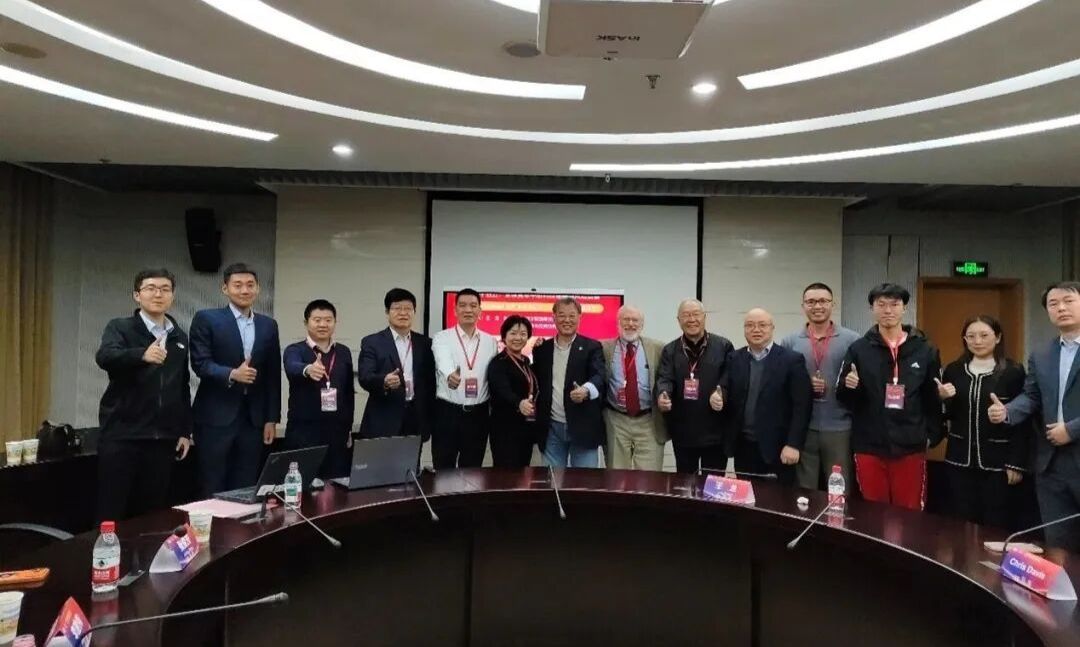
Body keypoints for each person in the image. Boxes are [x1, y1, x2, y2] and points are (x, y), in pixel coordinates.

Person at [94, 268, 192, 521]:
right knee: (112, 509)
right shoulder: (120, 327)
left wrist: (184, 430)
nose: (158, 294)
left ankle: (147, 550)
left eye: (165, 289)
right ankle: (107, 550)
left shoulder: (179, 336)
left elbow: (182, 386)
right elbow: (105, 357)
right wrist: (141, 355)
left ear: (172, 296)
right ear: (137, 295)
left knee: (152, 513)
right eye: (151, 288)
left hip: (162, 439)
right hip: (123, 435)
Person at [990, 281, 1080, 551]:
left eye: (1068, 301)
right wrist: (1007, 412)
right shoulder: (1042, 354)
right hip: (1051, 465)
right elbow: (1031, 396)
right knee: (1058, 543)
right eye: (1053, 304)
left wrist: (1072, 430)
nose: (1061, 308)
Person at [837, 283, 943, 511]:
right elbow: (843, 398)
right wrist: (850, 387)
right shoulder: (859, 349)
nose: (888, 310)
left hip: (911, 444)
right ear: (872, 309)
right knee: (873, 510)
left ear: (904, 308)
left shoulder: (925, 350)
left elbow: (932, 396)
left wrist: (932, 435)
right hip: (869, 443)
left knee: (909, 510)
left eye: (894, 304)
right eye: (881, 305)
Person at [189, 263, 281, 496]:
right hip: (215, 418)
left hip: (253, 420)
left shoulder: (268, 325)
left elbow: (272, 375)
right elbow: (200, 363)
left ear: (258, 289)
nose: (244, 290)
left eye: (250, 285)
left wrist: (271, 418)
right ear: (225, 289)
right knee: (212, 483)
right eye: (237, 285)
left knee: (246, 485)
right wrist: (232, 374)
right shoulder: (207, 318)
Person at [937, 315, 1028, 528]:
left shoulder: (1013, 372)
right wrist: (943, 399)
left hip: (998, 463)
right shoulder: (954, 370)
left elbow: (1023, 419)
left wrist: (1016, 463)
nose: (977, 341)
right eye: (971, 336)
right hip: (959, 460)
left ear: (998, 337)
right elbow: (948, 415)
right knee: (961, 520)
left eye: (984, 335)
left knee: (996, 523)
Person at [780, 282, 860, 491]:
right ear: (803, 306)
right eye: (811, 302)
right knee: (804, 489)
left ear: (833, 304)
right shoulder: (790, 341)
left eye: (823, 301)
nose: (817, 306)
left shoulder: (852, 340)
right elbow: (783, 385)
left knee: (839, 488)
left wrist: (854, 382)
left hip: (840, 427)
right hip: (804, 428)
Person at [727, 308, 812, 485]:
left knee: (777, 499)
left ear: (772, 328)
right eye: (750, 325)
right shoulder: (735, 358)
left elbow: (802, 406)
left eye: (762, 325)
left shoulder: (791, 360)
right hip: (743, 447)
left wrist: (793, 444)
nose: (756, 330)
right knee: (746, 496)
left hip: (778, 449)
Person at [656, 299, 734, 474]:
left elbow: (729, 378)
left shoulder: (724, 346)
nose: (691, 319)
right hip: (684, 432)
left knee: (713, 484)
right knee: (685, 484)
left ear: (704, 317)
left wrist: (721, 393)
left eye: (696, 314)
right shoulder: (670, 350)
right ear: (678, 320)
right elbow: (665, 377)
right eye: (686, 315)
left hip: (715, 432)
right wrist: (663, 394)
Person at [282, 299, 354, 479]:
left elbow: (348, 394)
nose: (323, 324)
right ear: (306, 322)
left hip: (337, 433)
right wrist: (308, 369)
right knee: (305, 482)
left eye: (328, 320)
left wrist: (348, 427)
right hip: (304, 433)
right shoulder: (295, 350)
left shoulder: (343, 352)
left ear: (335, 322)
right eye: (317, 320)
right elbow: (292, 366)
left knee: (336, 484)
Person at [534, 298, 606, 467]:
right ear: (554, 318)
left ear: (580, 317)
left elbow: (600, 375)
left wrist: (586, 390)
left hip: (583, 426)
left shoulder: (592, 346)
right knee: (553, 479)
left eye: (572, 315)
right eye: (562, 315)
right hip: (552, 428)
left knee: (584, 480)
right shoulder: (542, 349)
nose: (567, 320)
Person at [431, 289, 499, 468]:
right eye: (462, 305)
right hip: (448, 412)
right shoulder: (442, 338)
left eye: (473, 305)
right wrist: (449, 375)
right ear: (455, 310)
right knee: (443, 468)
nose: (468, 310)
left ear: (480, 311)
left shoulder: (490, 342)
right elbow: (442, 359)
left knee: (472, 470)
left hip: (478, 415)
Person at [358, 288, 435, 443]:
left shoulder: (425, 343)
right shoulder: (372, 342)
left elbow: (430, 381)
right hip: (384, 418)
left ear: (414, 312)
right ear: (387, 312)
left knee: (412, 459)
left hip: (415, 418)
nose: (403, 313)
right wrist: (384, 381)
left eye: (408, 309)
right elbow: (365, 377)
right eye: (397, 308)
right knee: (382, 459)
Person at [601, 305, 667, 471]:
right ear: (618, 323)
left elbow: (667, 378)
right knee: (616, 475)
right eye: (626, 319)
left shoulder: (658, 348)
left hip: (648, 420)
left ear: (642, 325)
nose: (630, 324)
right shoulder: (604, 348)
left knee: (650, 477)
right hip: (616, 419)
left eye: (635, 320)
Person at [486, 315, 540, 468]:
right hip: (505, 429)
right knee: (506, 475)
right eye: (513, 333)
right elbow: (502, 389)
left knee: (523, 473)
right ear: (504, 336)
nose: (518, 338)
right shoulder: (499, 362)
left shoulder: (526, 362)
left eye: (523, 334)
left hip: (526, 428)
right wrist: (519, 403)